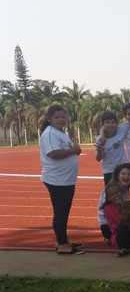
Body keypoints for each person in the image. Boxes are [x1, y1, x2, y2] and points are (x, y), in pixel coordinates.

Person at [39, 105, 82, 255]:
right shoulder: (50, 133)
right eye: (57, 117)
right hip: (57, 180)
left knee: (63, 212)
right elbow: (53, 153)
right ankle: (62, 244)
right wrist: (73, 151)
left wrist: (75, 149)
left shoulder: (60, 133)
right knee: (61, 212)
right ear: (49, 119)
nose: (61, 120)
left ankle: (63, 239)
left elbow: (69, 150)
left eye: (63, 117)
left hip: (65, 179)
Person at [98, 162, 130, 246]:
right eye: (123, 174)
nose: (126, 177)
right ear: (117, 175)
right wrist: (104, 227)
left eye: (129, 174)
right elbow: (102, 211)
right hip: (113, 227)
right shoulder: (110, 190)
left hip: (125, 224)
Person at [94, 111, 127, 184]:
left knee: (124, 193)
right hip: (109, 171)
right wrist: (100, 150)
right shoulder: (99, 139)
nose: (111, 125)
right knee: (111, 194)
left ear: (117, 123)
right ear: (103, 124)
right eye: (107, 122)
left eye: (113, 122)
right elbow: (98, 159)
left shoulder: (121, 129)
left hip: (123, 169)